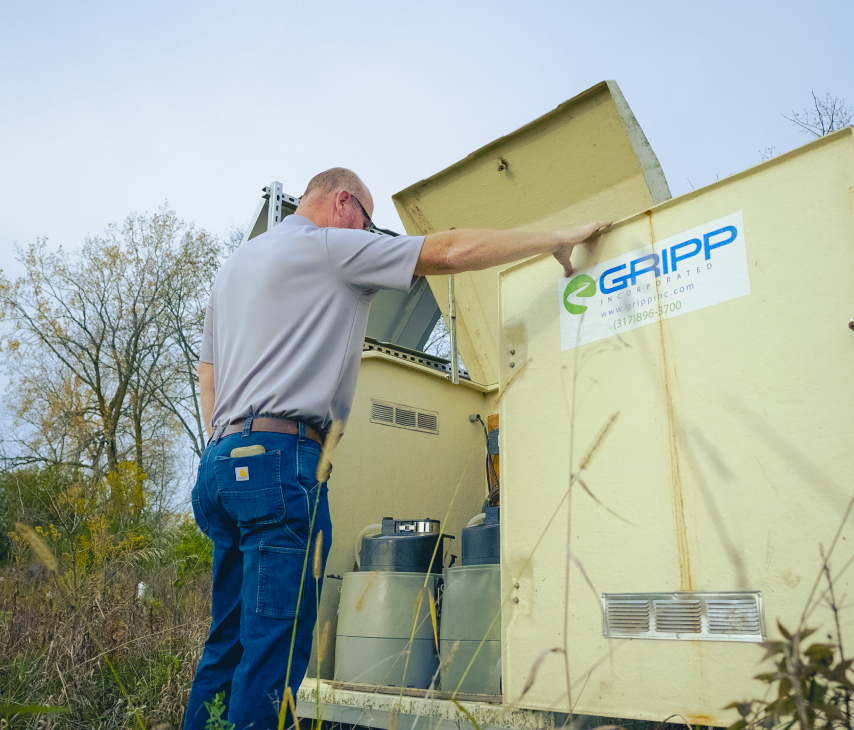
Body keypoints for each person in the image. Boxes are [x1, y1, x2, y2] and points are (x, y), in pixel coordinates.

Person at [184, 167, 609, 730]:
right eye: (368, 220)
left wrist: (229, 441)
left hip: (219, 466)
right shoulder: (331, 247)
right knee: (273, 653)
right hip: (279, 465)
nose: (368, 234)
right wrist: (556, 237)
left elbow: (206, 374)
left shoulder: (235, 267)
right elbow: (452, 251)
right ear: (343, 204)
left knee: (227, 647)